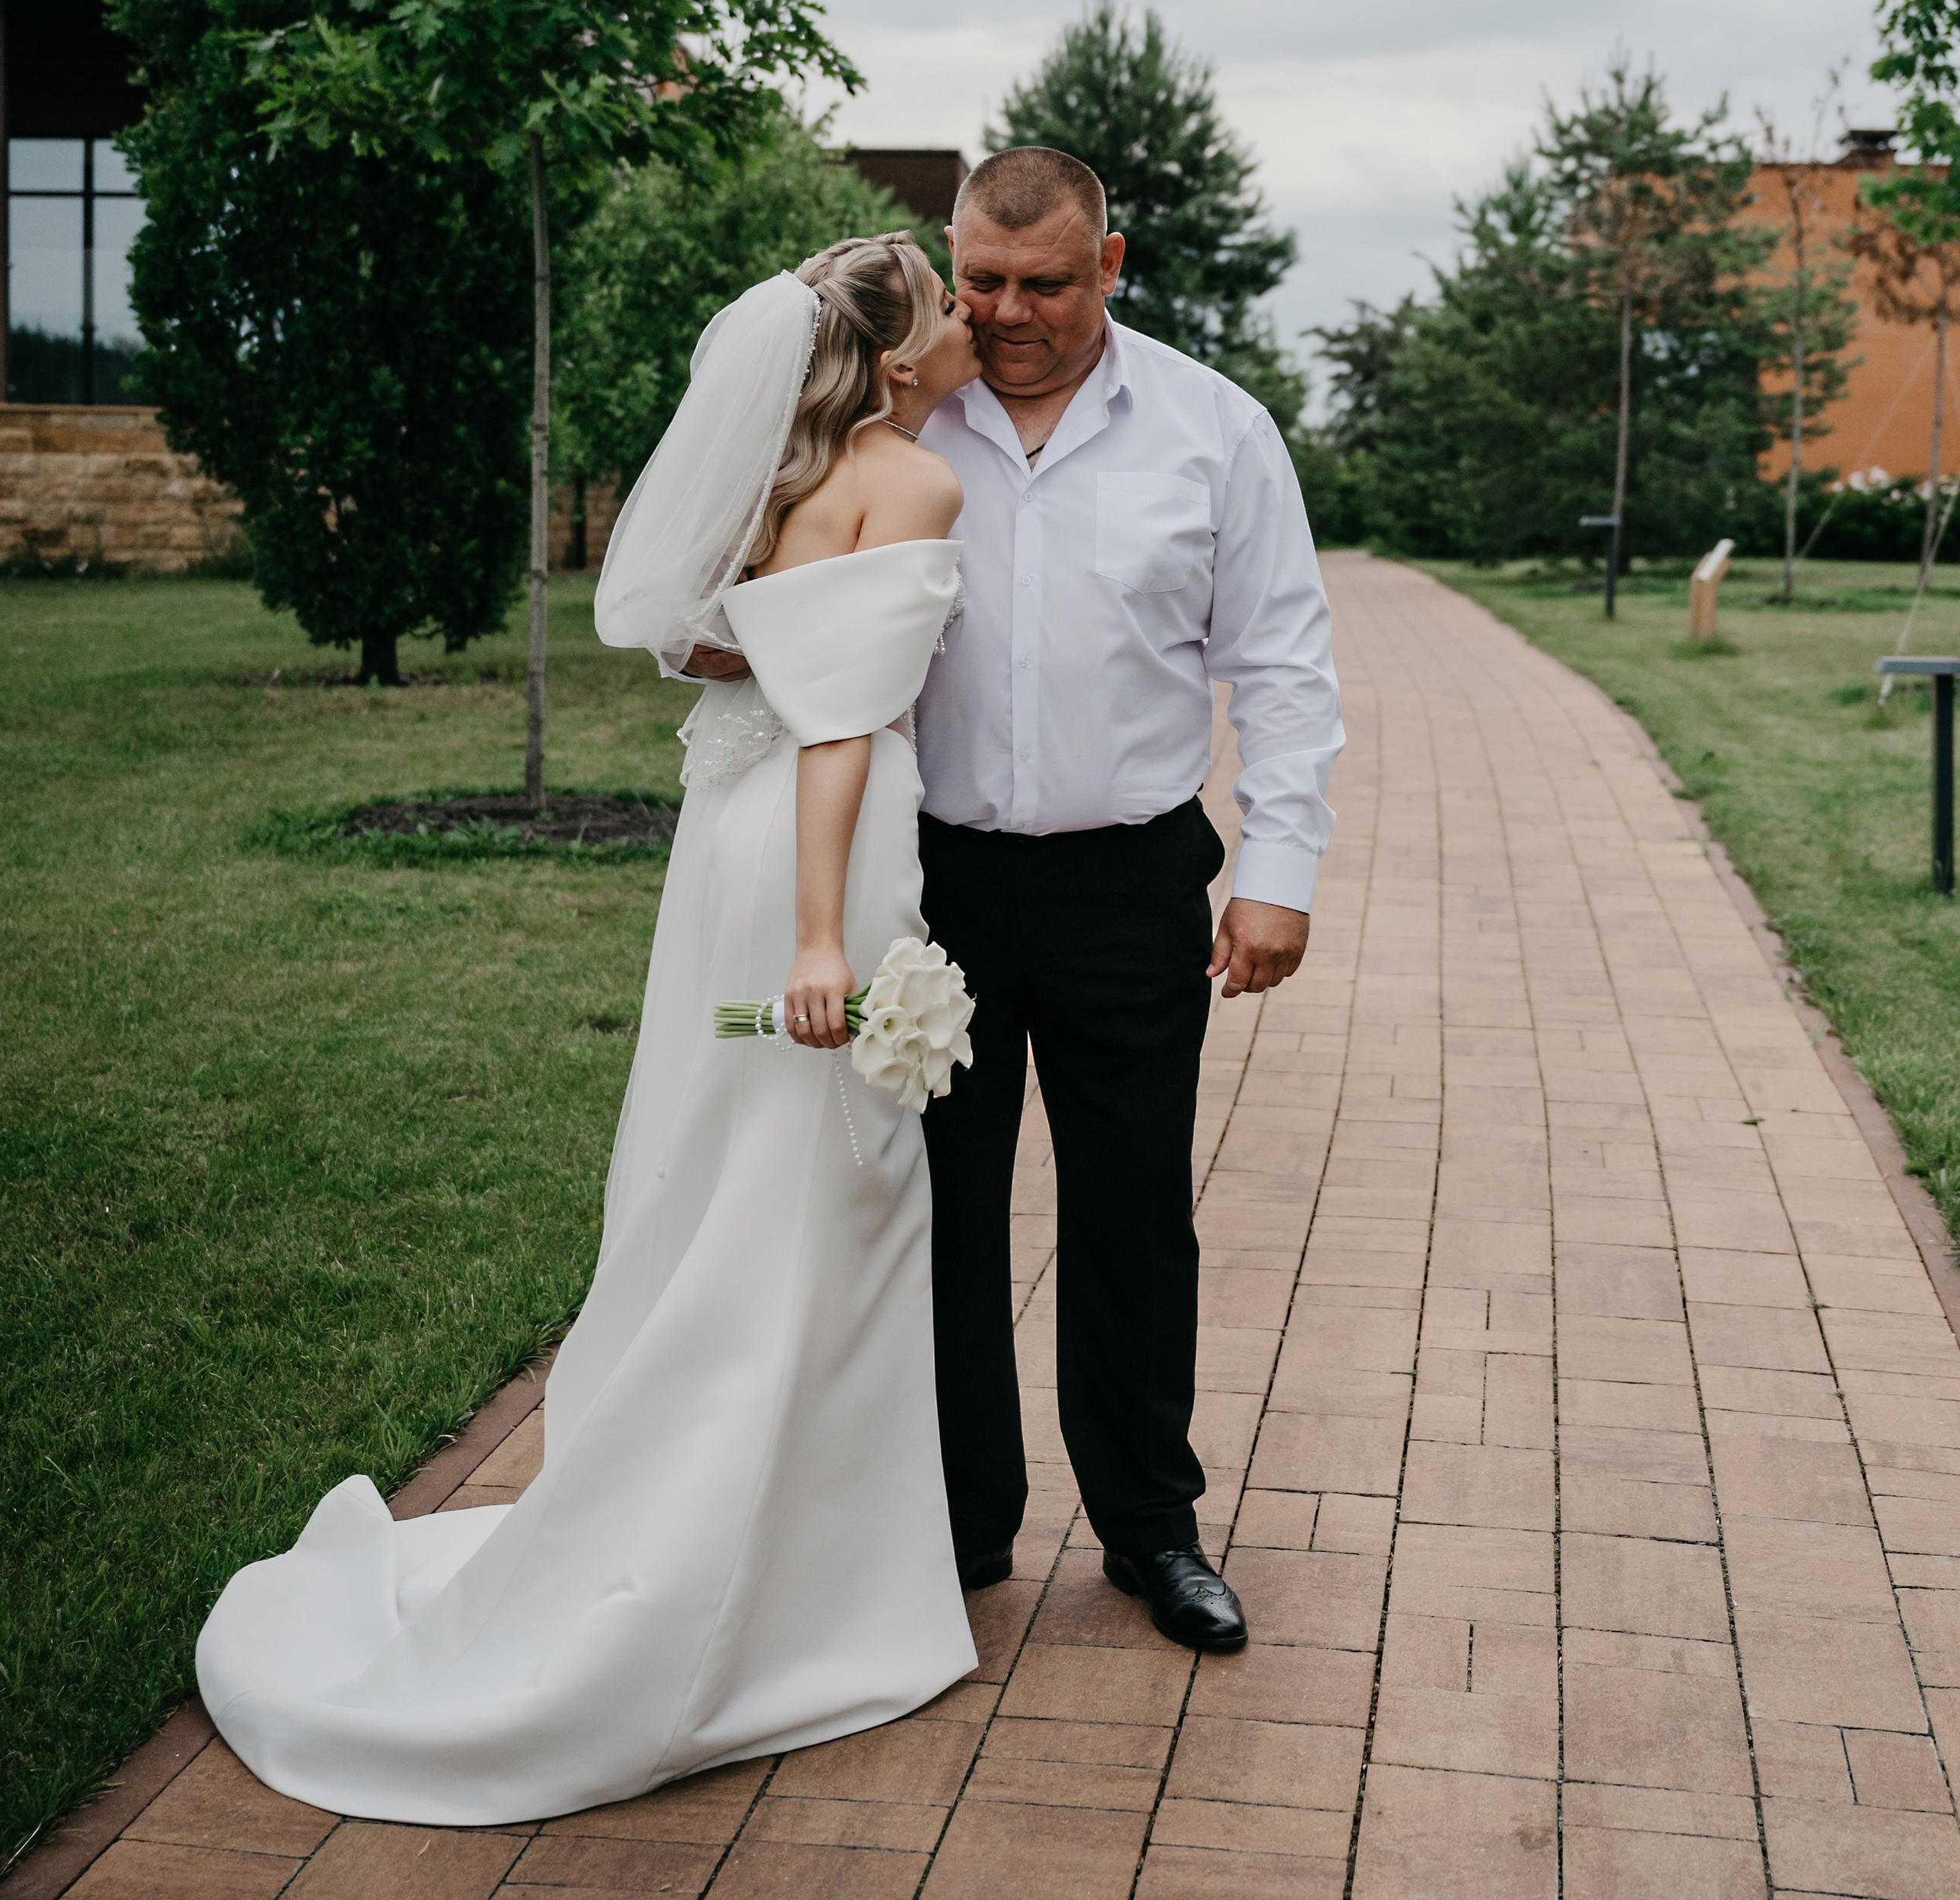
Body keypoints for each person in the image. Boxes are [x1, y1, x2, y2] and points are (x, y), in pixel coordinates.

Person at [195, 235, 985, 1826]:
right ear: (897, 352)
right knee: (821, 1199)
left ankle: (780, 1553)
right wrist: (829, 937)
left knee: (734, 1172)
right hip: (818, 845)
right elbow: (841, 724)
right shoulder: (909, 481)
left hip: (726, 833)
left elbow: (710, 647)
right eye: (950, 300)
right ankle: (780, 1596)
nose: (974, 318)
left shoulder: (778, 478)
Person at [914, 146, 1343, 1655]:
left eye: (1041, 282)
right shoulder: (901, 413)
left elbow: (1281, 664)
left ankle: (1149, 1531)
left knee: (1129, 1219)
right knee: (931, 1215)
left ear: (1110, 262)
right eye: (979, 279)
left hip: (1127, 877)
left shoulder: (1210, 431)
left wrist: (1277, 875)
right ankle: (957, 1523)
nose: (1007, 311)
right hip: (929, 884)